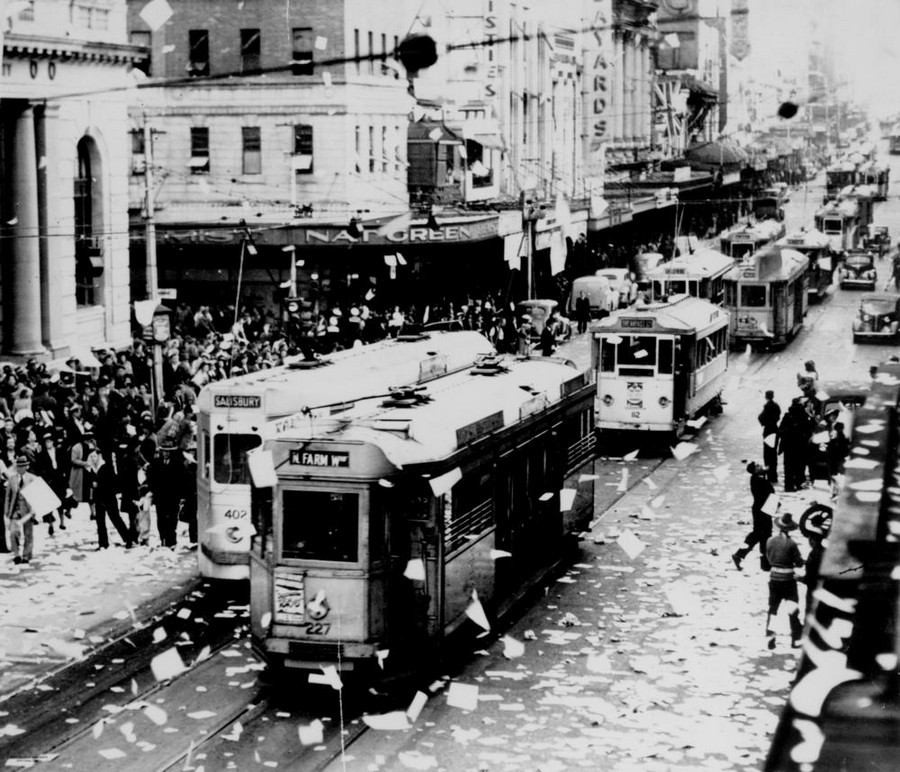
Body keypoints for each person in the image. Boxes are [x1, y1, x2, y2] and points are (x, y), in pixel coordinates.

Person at [765, 512, 806, 648]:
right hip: (788, 580)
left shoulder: (770, 541)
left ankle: (771, 638)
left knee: (773, 609)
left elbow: (768, 558)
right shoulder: (791, 544)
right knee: (793, 609)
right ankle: (795, 639)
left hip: (774, 578)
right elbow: (799, 562)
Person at [85, 446, 133, 550]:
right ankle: (103, 543)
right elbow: (89, 482)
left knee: (115, 519)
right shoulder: (91, 468)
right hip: (98, 498)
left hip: (109, 497)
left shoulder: (106, 467)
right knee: (100, 521)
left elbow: (113, 483)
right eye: (91, 457)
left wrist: (98, 484)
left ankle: (128, 539)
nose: (93, 459)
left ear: (99, 456)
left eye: (94, 456)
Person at [732, 462, 775, 571]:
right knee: (764, 535)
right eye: (758, 466)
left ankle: (741, 555)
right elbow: (769, 491)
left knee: (759, 535)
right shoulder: (758, 480)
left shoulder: (757, 478)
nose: (760, 466)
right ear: (755, 470)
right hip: (763, 510)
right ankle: (764, 562)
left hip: (762, 509)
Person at [4, 455, 38, 564]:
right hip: (15, 509)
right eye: (18, 466)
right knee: (13, 532)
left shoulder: (33, 479)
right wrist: (6, 512)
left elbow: (38, 496)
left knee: (28, 533)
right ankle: (17, 554)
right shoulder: (12, 479)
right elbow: (8, 497)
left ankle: (26, 555)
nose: (20, 468)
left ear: (27, 467)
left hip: (28, 510)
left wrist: (34, 510)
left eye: (23, 466)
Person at [758, 390, 781, 483]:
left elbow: (760, 417)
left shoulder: (767, 406)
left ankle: (769, 475)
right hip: (775, 430)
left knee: (767, 455)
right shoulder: (776, 406)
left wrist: (765, 423)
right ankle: (773, 475)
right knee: (773, 454)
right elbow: (778, 416)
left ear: (766, 396)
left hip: (768, 431)